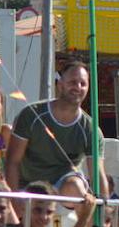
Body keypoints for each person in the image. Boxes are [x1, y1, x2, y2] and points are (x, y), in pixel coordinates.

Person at [6, 61, 106, 193]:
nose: (78, 87)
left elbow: (97, 174)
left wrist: (105, 206)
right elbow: (13, 161)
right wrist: (12, 199)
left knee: (76, 187)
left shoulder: (91, 129)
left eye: (83, 84)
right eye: (72, 82)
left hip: (64, 185)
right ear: (60, 85)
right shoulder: (31, 115)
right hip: (28, 183)